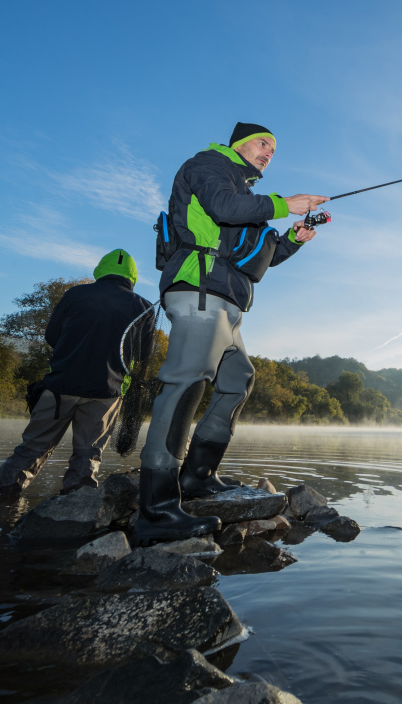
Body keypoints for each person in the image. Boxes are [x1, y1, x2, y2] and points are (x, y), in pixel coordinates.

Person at [135, 122, 328, 544]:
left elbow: (259, 257)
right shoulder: (209, 165)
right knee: (187, 384)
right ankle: (156, 509)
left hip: (228, 299)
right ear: (238, 143)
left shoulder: (246, 193)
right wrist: (282, 204)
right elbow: (222, 207)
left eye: (274, 150)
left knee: (236, 381)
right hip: (199, 289)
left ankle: (198, 478)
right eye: (263, 143)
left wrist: (294, 239)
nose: (268, 153)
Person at [0, 249, 154, 498]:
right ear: (133, 277)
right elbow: (144, 355)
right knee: (88, 454)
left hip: (59, 387)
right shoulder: (144, 307)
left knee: (32, 449)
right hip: (106, 393)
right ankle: (77, 506)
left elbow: (52, 336)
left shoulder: (75, 294)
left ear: (100, 270)